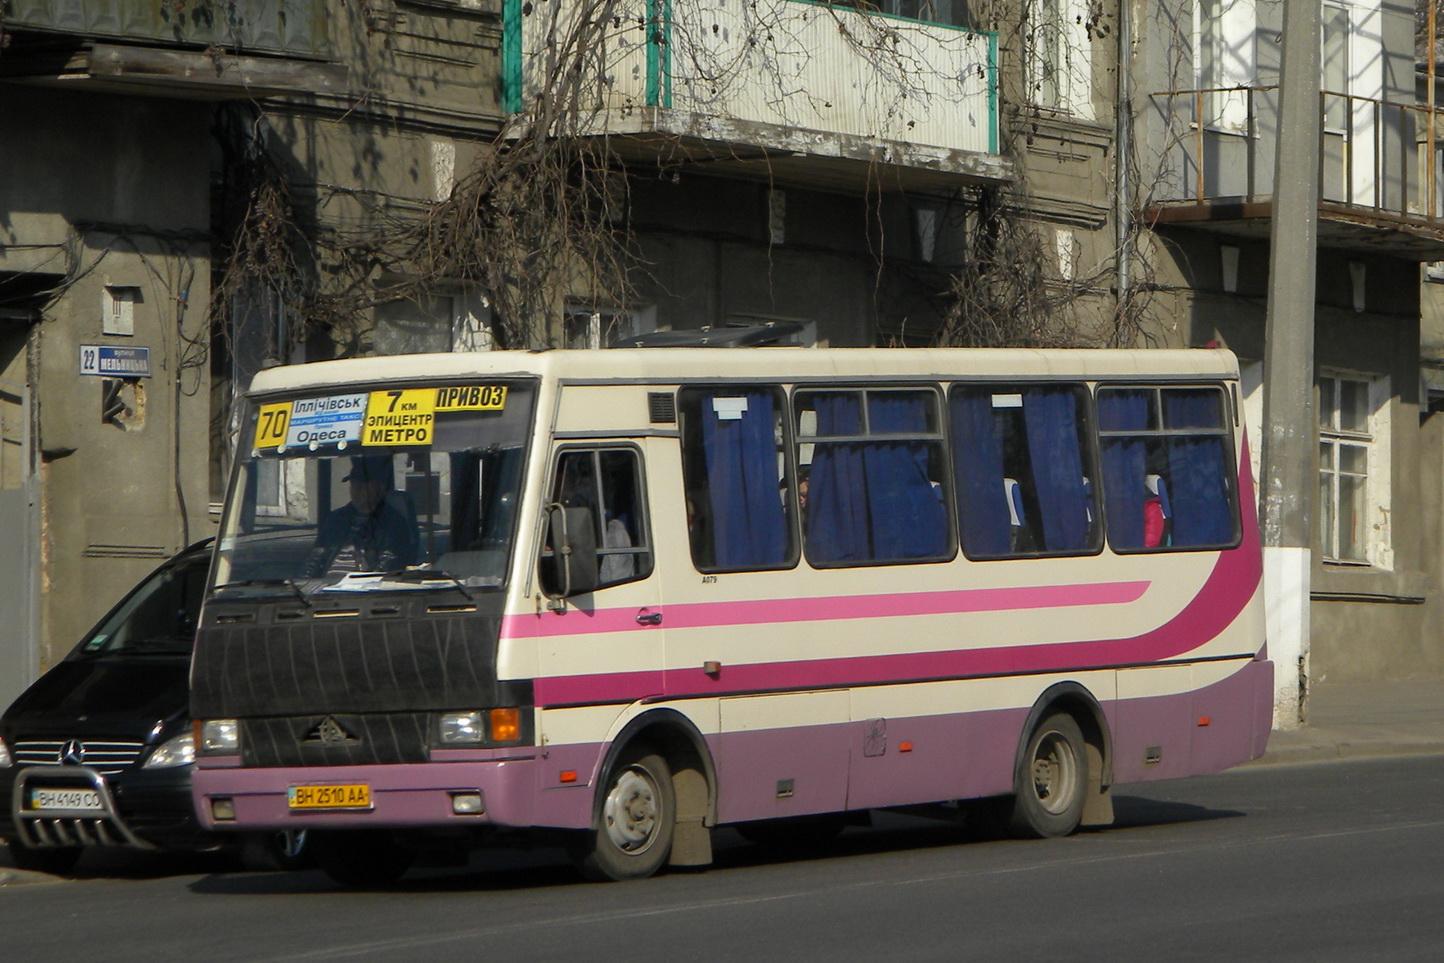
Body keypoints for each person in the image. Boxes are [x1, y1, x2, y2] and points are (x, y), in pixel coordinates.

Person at [302, 455, 418, 577]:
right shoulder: (336, 519)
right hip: (326, 587)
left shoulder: (393, 523)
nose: (356, 490)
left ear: (379, 488)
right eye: (354, 484)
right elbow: (316, 557)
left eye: (363, 486)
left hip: (361, 589)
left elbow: (388, 563)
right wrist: (305, 581)